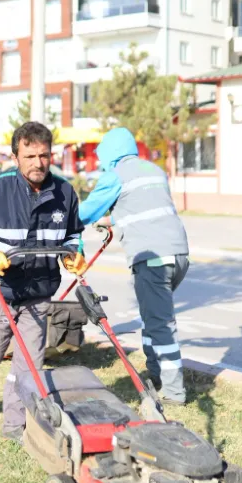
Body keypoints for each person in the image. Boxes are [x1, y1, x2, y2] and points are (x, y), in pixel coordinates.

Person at [0, 122, 86, 442]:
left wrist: (73, 254)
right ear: (15, 157)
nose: (38, 162)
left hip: (38, 293)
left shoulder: (64, 192)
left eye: (45, 155)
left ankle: (14, 426)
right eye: (30, 155)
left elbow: (73, 235)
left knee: (29, 366)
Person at [78, 127, 190, 405]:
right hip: (179, 255)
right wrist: (113, 220)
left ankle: (175, 393)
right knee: (152, 317)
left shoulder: (114, 176)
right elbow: (144, 207)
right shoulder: (154, 171)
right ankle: (154, 375)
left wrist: (62, 218)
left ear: (109, 154)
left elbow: (83, 213)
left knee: (161, 324)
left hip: (152, 259)